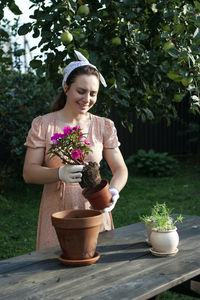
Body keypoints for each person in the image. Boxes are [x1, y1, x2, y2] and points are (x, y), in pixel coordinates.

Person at [23, 50, 128, 250]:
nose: (87, 99)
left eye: (93, 93)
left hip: (95, 208)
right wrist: (59, 172)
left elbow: (120, 169)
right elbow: (29, 173)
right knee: (57, 268)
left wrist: (113, 190)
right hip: (58, 210)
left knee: (97, 267)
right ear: (66, 87)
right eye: (81, 91)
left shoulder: (103, 125)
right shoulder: (44, 125)